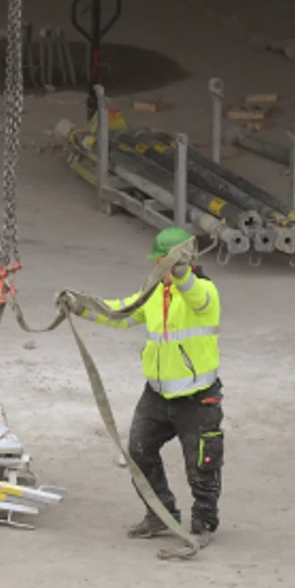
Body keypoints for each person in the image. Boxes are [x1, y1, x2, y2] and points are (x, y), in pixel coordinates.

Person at [78, 226, 222, 543]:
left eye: (161, 263)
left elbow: (195, 295)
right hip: (157, 396)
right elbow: (120, 313)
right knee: (139, 453)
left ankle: (204, 525)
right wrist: (81, 306)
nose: (156, 268)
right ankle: (160, 514)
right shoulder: (155, 293)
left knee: (201, 465)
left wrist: (182, 272)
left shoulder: (205, 293)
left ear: (179, 263)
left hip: (197, 400)